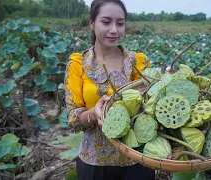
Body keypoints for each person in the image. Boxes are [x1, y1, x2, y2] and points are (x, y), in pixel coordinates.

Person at [64, 0, 155, 179]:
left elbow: (151, 107)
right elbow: (73, 117)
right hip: (95, 161)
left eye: (120, 23)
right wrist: (93, 114)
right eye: (106, 22)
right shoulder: (77, 64)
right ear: (92, 23)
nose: (114, 29)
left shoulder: (139, 62)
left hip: (137, 158)